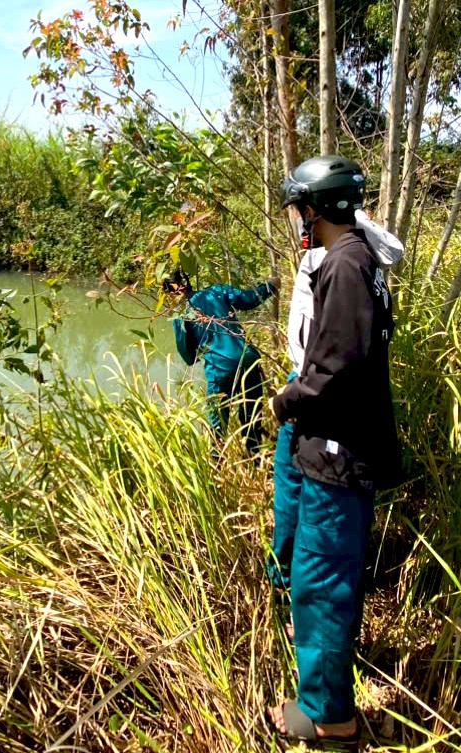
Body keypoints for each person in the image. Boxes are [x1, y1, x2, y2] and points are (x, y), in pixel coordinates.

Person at [265, 155, 402, 744]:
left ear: (314, 209)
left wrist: (287, 400)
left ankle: (329, 716)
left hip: (338, 449)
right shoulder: (357, 259)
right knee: (320, 573)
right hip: (332, 443)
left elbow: (336, 366)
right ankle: (324, 680)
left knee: (323, 582)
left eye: (300, 207)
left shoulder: (346, 265)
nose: (298, 217)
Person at [164, 269, 277, 455]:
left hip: (221, 368)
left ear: (171, 292)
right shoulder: (216, 291)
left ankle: (217, 471)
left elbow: (188, 357)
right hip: (248, 359)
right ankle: (256, 461)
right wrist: (271, 285)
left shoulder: (181, 314)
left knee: (218, 427)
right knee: (252, 417)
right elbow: (250, 299)